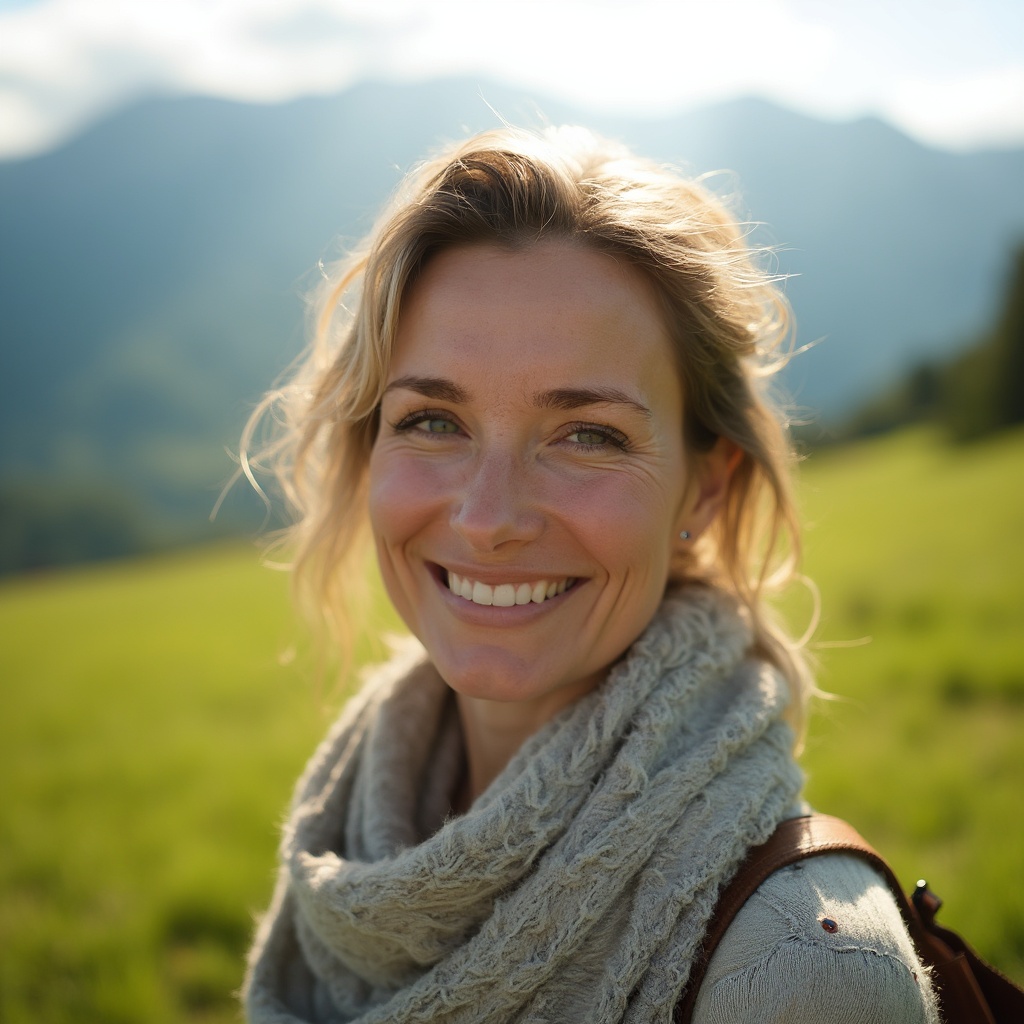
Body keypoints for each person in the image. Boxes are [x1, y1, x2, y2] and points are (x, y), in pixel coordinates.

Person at [241, 126, 939, 1023]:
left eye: (589, 435)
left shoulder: (807, 966)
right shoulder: (343, 839)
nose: (488, 519)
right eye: (431, 421)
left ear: (706, 488)